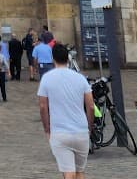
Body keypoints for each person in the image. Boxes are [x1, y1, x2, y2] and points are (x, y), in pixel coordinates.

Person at [37, 42, 95, 179]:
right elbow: (91, 106)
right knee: (79, 172)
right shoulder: (80, 78)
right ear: (68, 58)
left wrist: (47, 128)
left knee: (68, 172)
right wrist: (89, 127)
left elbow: (43, 106)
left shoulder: (47, 78)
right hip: (81, 131)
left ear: (53, 58)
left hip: (60, 131)